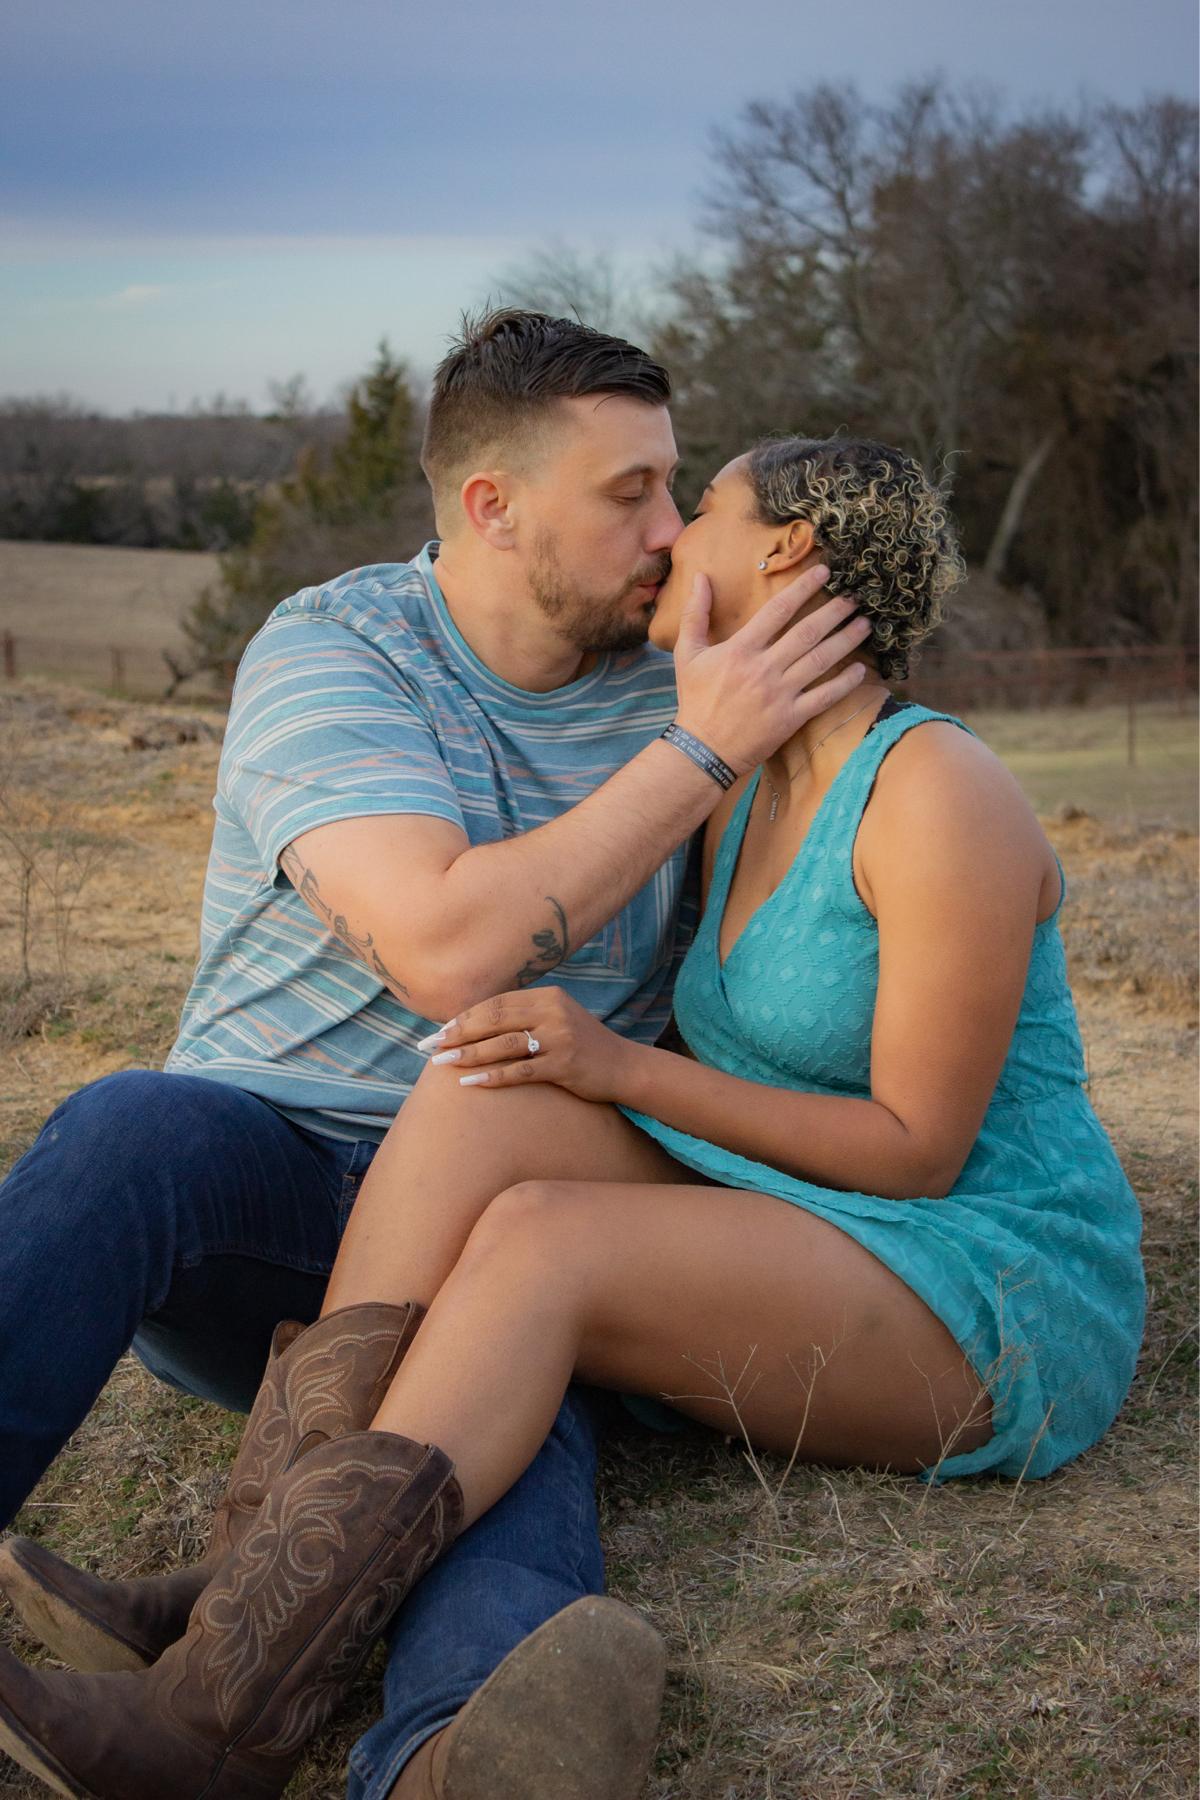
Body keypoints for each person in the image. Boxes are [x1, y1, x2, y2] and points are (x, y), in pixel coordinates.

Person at [0, 434, 1146, 1800]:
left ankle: (206, 1727)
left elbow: (918, 1149)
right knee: (484, 1087)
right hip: (798, 1206)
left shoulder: (936, 790)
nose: (668, 535)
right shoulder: (744, 781)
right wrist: (584, 1060)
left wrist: (624, 1070)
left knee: (545, 1242)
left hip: (978, 1267)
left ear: (784, 551)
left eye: (698, 506)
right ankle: (251, 1579)